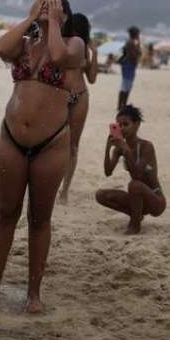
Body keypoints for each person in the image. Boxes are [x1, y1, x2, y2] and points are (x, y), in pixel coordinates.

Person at [0, 0, 84, 313]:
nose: (46, 6)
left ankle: (34, 294)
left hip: (51, 143)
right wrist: (29, 18)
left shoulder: (76, 44)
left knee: (39, 218)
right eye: (42, 2)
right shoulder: (25, 44)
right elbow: (1, 49)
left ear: (65, 15)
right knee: (5, 213)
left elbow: (58, 56)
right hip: (11, 138)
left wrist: (53, 21)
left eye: (53, 4)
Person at [96, 105, 165, 234]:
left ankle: (135, 225)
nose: (122, 128)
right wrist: (108, 148)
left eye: (126, 124)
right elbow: (108, 172)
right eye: (119, 125)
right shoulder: (120, 148)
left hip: (155, 200)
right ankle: (136, 215)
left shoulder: (146, 146)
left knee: (134, 185)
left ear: (137, 124)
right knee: (100, 195)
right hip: (137, 200)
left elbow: (137, 175)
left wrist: (126, 149)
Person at [58, 12, 98, 204]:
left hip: (80, 96)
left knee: (72, 146)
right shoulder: (62, 43)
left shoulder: (85, 50)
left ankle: (65, 190)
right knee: (55, 143)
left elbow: (92, 78)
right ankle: (53, 184)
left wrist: (95, 54)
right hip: (60, 96)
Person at [118, 26, 141, 110]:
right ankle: (121, 105)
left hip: (128, 65)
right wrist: (138, 45)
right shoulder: (131, 43)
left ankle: (122, 104)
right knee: (126, 86)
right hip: (129, 65)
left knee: (126, 86)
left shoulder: (130, 42)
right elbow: (136, 54)